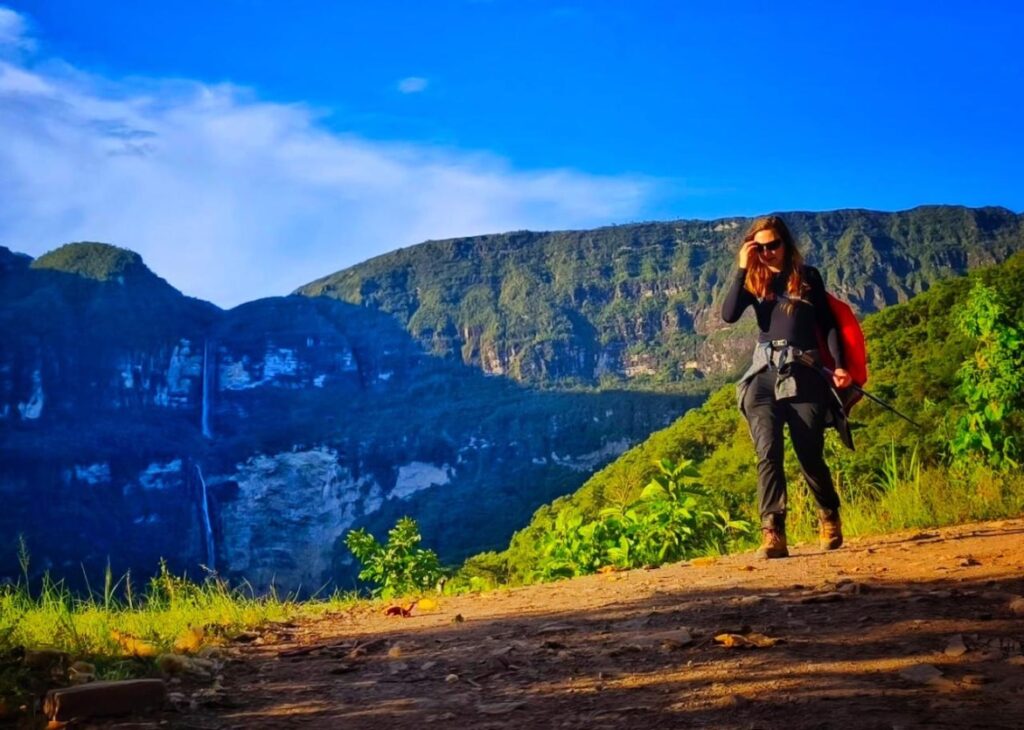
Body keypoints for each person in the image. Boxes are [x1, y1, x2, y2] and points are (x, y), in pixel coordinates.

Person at [721, 215, 852, 559]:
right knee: (768, 453)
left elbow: (828, 325)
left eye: (773, 245)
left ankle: (828, 514)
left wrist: (840, 367)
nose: (767, 253)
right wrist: (741, 268)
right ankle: (773, 531)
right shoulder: (753, 280)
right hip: (763, 374)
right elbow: (729, 315)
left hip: (805, 372)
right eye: (760, 247)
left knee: (809, 453)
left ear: (786, 244)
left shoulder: (808, 278)